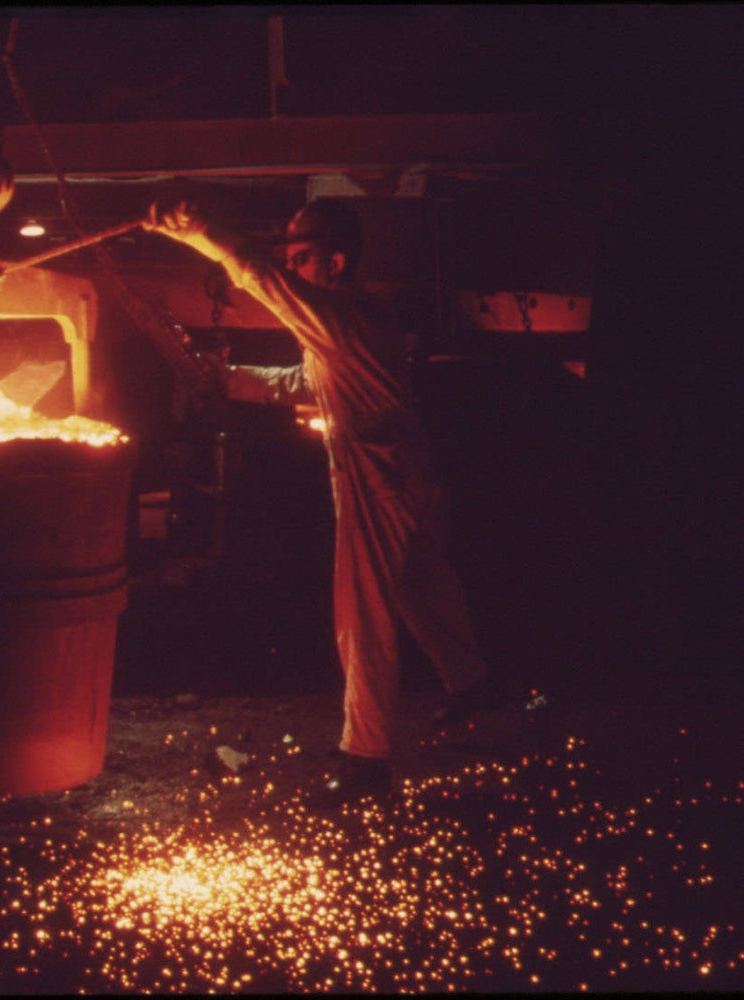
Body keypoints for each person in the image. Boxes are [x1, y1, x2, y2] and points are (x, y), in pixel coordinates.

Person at [145, 197, 499, 806]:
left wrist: (201, 229)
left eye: (302, 257)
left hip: (377, 472)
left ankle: (365, 758)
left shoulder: (340, 317)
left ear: (334, 261)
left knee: (360, 614)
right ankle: (475, 691)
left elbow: (260, 277)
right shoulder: (354, 322)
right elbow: (304, 382)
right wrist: (226, 377)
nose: (292, 268)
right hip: (409, 471)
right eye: (290, 256)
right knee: (423, 588)